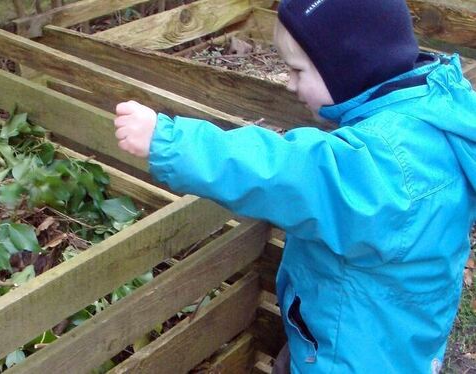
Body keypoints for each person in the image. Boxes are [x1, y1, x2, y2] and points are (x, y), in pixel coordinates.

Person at [112, 0, 476, 372]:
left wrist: (169, 141)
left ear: (348, 66)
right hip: (385, 337)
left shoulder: (388, 166)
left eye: (297, 70)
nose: (289, 83)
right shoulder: (429, 112)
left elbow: (283, 171)